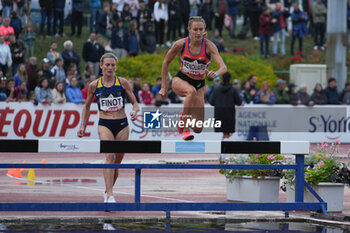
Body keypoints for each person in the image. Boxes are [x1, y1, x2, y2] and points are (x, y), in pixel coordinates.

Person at [78, 53, 139, 203]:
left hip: (122, 124)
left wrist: (134, 111)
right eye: (107, 65)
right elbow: (86, 107)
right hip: (105, 124)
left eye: (113, 65)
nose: (110, 68)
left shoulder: (123, 83)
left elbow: (135, 103)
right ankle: (110, 195)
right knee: (109, 157)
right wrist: (82, 125)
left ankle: (107, 191)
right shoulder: (94, 85)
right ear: (101, 66)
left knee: (116, 163)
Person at [159, 16, 227, 140]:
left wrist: (216, 73)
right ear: (189, 29)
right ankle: (185, 130)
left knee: (198, 128)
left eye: (201, 29)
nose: (198, 33)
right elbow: (165, 63)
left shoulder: (209, 46)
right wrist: (164, 87)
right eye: (195, 29)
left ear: (205, 30)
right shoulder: (180, 44)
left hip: (199, 84)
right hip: (181, 79)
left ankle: (183, 116)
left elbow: (223, 67)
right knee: (190, 91)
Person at [209, 72, 242, 139]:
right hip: (229, 115)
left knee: (218, 136)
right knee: (227, 134)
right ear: (230, 79)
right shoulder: (233, 90)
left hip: (218, 114)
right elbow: (239, 102)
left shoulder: (216, 89)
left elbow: (211, 102)